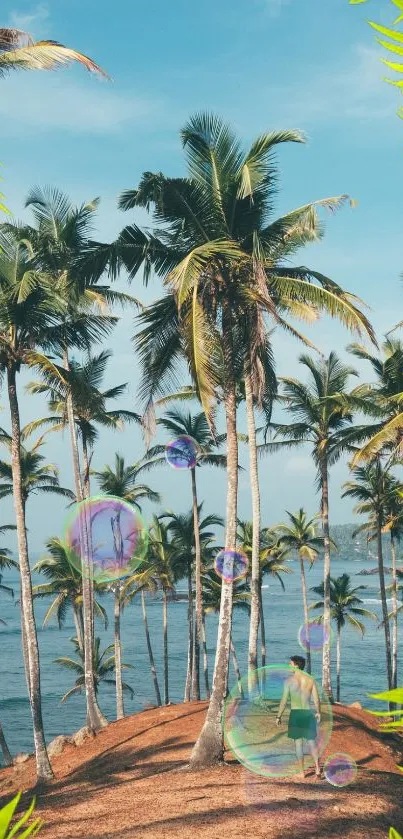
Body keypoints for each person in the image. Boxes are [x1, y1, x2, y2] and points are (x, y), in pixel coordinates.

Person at [275, 655, 322, 779]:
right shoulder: (310, 680)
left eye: (290, 664)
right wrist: (318, 712)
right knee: (312, 742)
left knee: (298, 745)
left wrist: (278, 716)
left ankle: (302, 772)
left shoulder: (289, 681)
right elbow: (316, 699)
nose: (288, 666)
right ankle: (317, 769)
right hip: (308, 713)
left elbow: (284, 701)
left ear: (296, 665)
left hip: (296, 714)